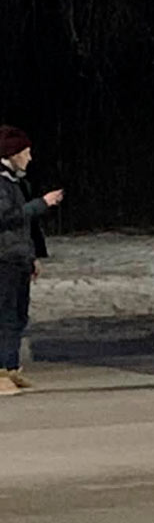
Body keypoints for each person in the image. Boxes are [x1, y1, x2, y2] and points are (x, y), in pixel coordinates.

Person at [0, 125, 63, 395]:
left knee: (17, 316)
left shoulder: (15, 182)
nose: (29, 157)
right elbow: (7, 217)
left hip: (17, 258)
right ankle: (3, 371)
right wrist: (41, 204)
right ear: (12, 154)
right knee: (5, 316)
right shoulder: (1, 183)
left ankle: (11, 369)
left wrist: (33, 257)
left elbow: (25, 229)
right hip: (3, 260)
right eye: (25, 152)